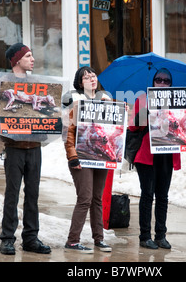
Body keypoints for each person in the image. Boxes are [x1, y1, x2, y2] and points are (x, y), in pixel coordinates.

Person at [0, 43, 51, 255]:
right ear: (17, 60)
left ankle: (31, 237)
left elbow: (48, 112)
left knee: (33, 194)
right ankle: (7, 238)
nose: (32, 59)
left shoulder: (38, 83)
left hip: (35, 146)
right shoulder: (2, 83)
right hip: (13, 147)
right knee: (12, 194)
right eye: (28, 55)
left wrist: (59, 106)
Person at [128, 68, 186, 249]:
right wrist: (145, 111)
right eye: (159, 79)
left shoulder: (178, 101)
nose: (163, 83)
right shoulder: (143, 99)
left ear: (171, 84)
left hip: (167, 153)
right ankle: (144, 236)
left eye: (166, 81)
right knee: (147, 194)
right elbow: (133, 127)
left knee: (163, 196)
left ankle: (160, 235)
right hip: (146, 155)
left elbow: (183, 127)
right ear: (153, 81)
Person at [62, 66, 112, 253]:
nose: (91, 79)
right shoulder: (75, 102)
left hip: (101, 156)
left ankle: (99, 239)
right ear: (80, 83)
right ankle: (73, 240)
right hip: (81, 157)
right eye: (86, 77)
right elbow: (68, 131)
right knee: (85, 198)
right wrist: (72, 155)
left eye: (93, 75)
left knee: (97, 199)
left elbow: (114, 129)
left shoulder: (105, 100)